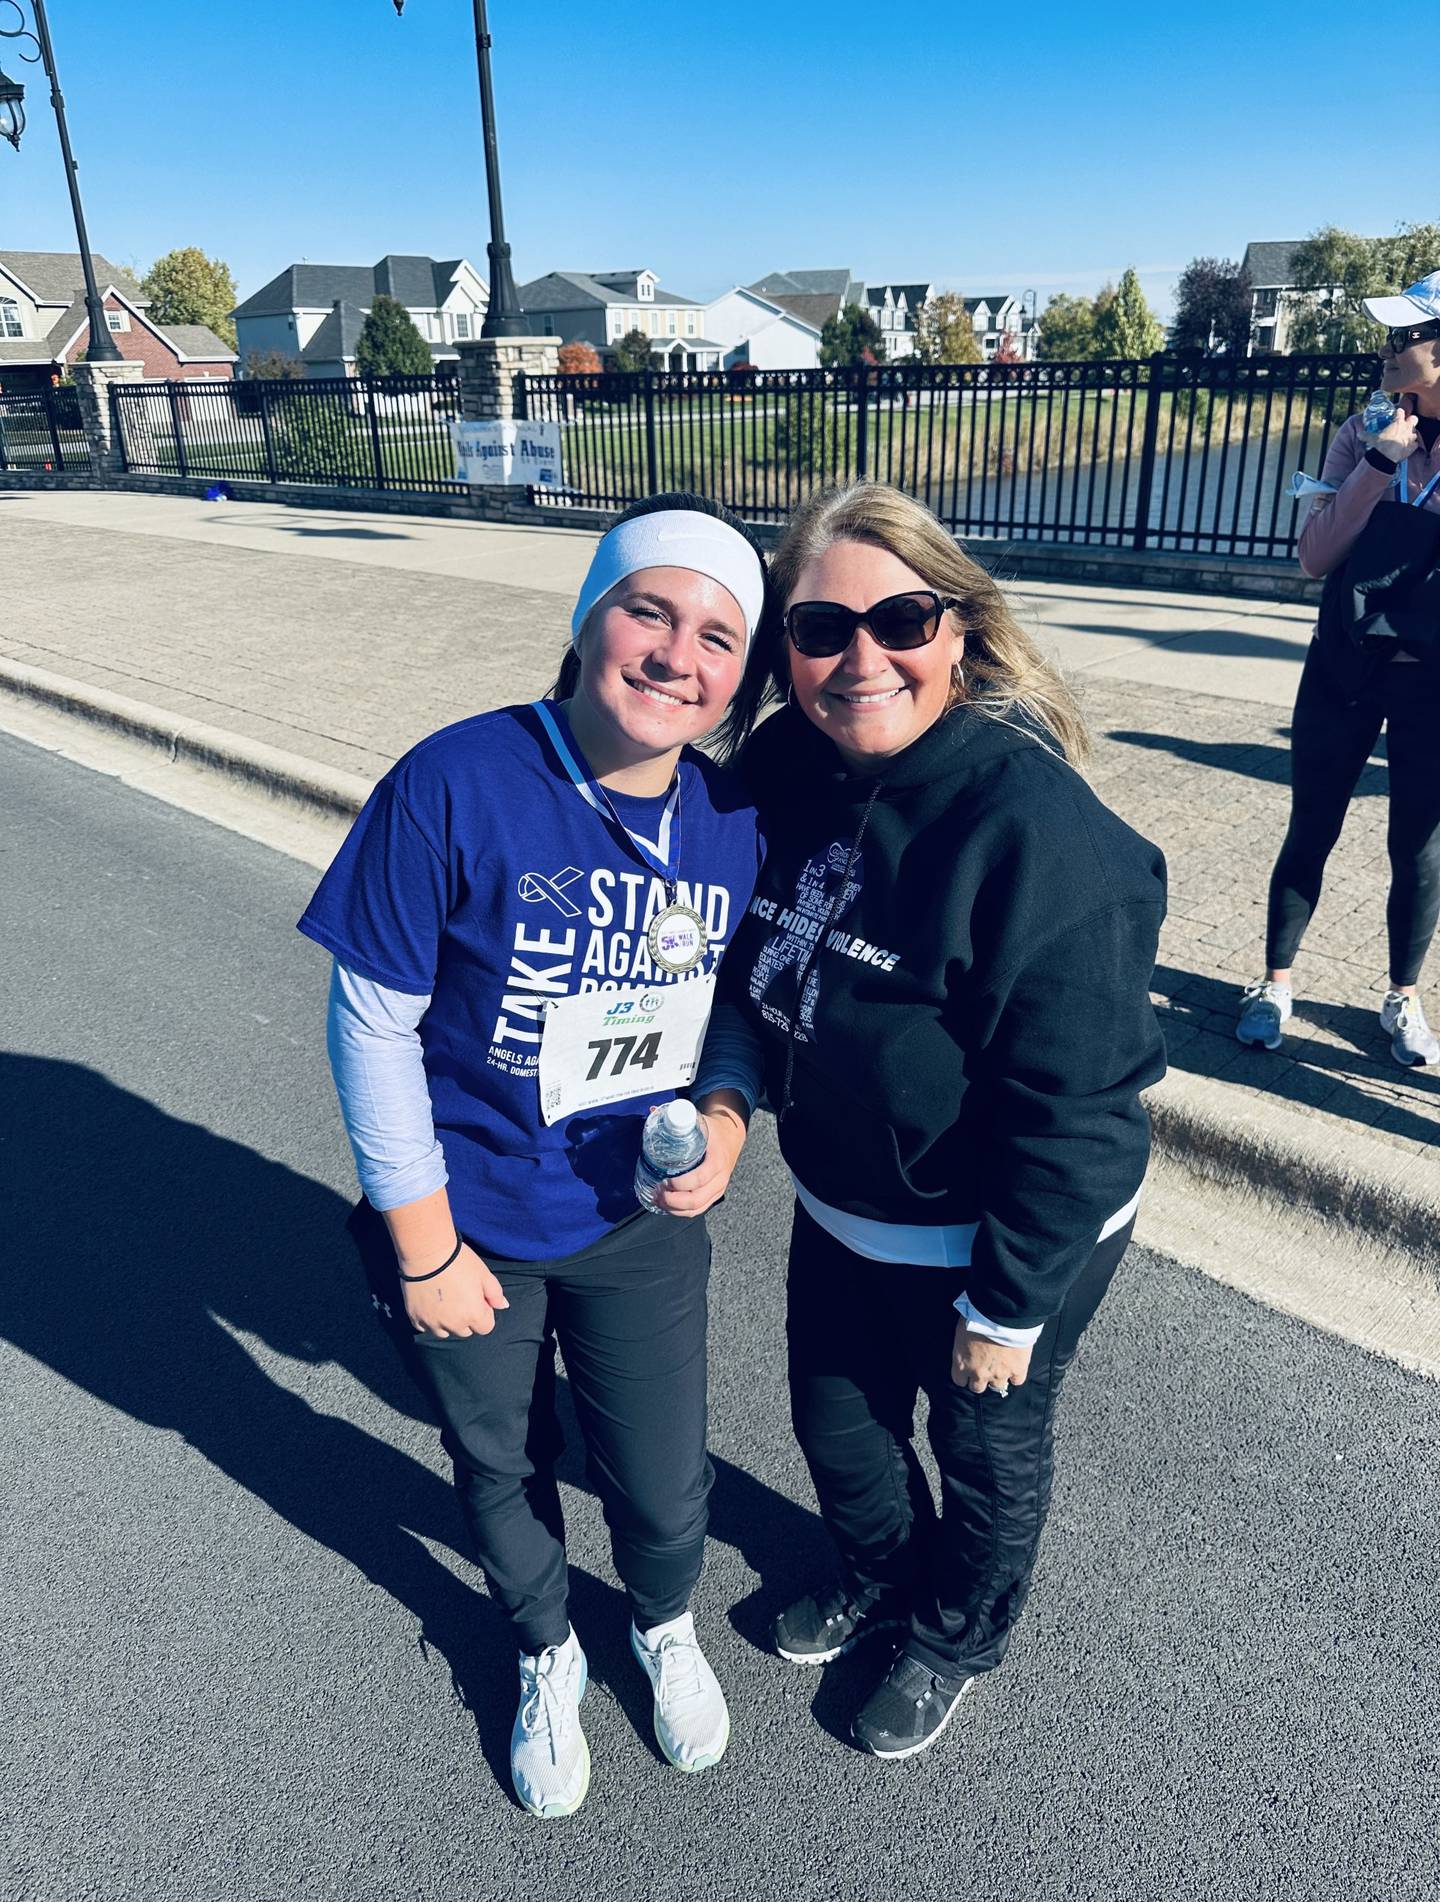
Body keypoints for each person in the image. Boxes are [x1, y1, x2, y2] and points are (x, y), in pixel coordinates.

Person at [655, 482, 1167, 1760]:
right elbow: (737, 964)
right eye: (822, 629)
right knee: (839, 1419)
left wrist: (1009, 1305)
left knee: (985, 1443)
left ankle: (956, 1632)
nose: (862, 657)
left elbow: (1082, 1114)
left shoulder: (1041, 838)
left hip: (1009, 1222)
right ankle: (882, 1572)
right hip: (850, 1199)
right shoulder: (781, 772)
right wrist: (726, 1095)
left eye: (902, 619)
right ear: (786, 649)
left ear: (959, 632)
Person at [298, 493, 769, 1818]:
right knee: (497, 1461)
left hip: (638, 1216)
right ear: (588, 621)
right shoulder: (459, 778)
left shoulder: (733, 821)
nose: (678, 655)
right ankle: (548, 1650)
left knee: (664, 1472)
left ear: (740, 676)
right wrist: (424, 1243)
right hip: (473, 1218)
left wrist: (724, 1119)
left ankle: (660, 1627)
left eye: (719, 636)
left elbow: (732, 1000)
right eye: (649, 611)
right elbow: (373, 1018)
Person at [1237, 271, 1440, 1067]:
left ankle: (1403, 997)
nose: (1390, 350)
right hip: (1343, 665)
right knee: (1312, 824)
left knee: (1418, 849)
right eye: (1389, 334)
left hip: (1431, 680)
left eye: (1409, 337)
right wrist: (1380, 466)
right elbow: (1315, 558)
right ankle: (1275, 982)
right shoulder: (1362, 431)